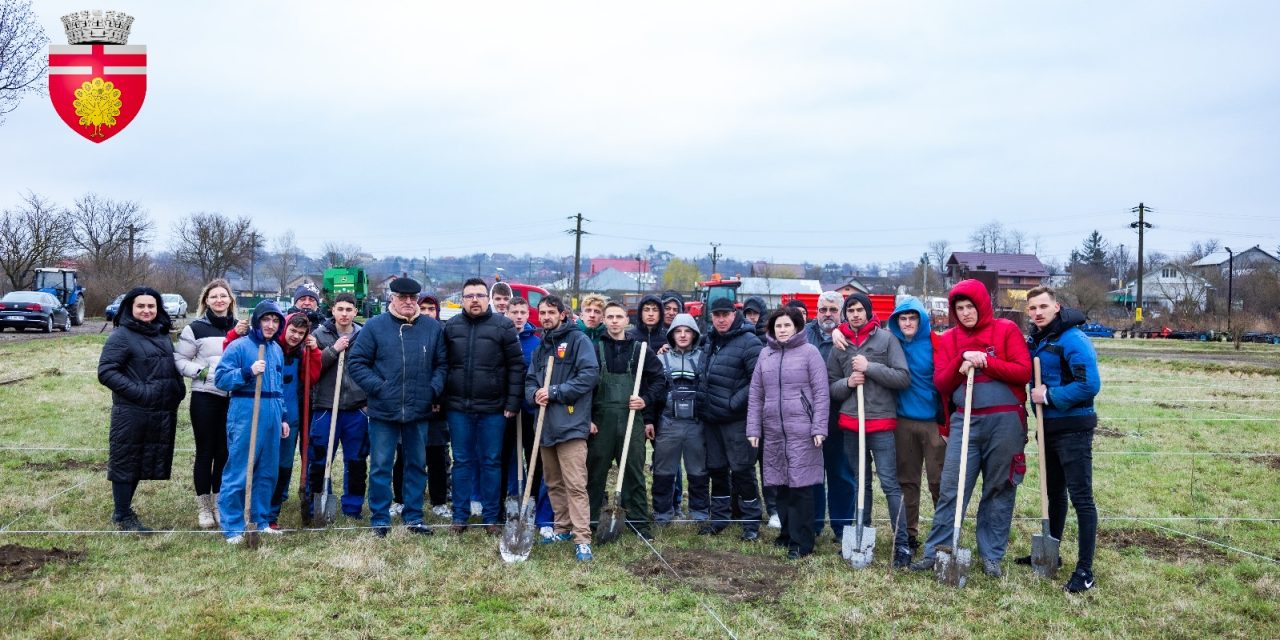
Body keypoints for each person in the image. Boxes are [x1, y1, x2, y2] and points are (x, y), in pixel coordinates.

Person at [910, 279, 1031, 578]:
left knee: (999, 487)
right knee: (952, 486)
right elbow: (941, 382)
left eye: (970, 306)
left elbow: (1023, 371)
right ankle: (938, 550)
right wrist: (962, 359)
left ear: (982, 305)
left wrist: (986, 361)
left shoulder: (1006, 330)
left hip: (1005, 422)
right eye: (959, 308)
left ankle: (991, 554)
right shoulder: (948, 339)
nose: (965, 313)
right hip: (966, 420)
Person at [346, 276, 447, 537]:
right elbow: (356, 362)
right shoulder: (375, 327)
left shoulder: (431, 328)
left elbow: (442, 365)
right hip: (383, 410)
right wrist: (379, 388)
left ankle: (413, 516)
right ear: (392, 298)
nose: (409, 303)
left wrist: (432, 390)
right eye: (403, 298)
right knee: (380, 465)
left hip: (418, 408)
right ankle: (380, 518)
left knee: (416, 464)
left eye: (413, 298)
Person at [1021, 286, 1101, 593]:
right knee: (1054, 494)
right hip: (1048, 429)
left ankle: (1085, 570)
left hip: (1073, 430)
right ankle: (1051, 552)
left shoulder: (1073, 339)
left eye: (1043, 306)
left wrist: (1049, 396)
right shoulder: (1040, 341)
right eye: (1032, 308)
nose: (1038, 312)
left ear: (1057, 307)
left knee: (1082, 499)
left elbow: (1089, 385)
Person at [827, 292, 912, 566]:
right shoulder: (839, 344)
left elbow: (902, 378)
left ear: (868, 312)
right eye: (850, 310)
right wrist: (849, 382)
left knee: (889, 483)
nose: (854, 314)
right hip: (852, 424)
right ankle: (861, 535)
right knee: (860, 484)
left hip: (881, 423)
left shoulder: (887, 339)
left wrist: (870, 367)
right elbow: (831, 386)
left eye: (859, 309)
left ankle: (902, 544)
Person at [98, 286, 185, 533]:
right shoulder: (121, 336)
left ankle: (124, 511)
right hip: (132, 411)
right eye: (141, 306)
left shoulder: (161, 334)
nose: (146, 311)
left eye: (151, 306)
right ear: (130, 308)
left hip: (159, 411)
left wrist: (178, 390)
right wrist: (141, 393)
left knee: (139, 460)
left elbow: (170, 367)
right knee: (126, 460)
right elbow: (106, 372)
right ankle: (122, 514)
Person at [443, 278, 526, 535]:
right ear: (463, 299)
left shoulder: (503, 326)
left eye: (480, 295)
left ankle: (492, 518)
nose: (475, 300)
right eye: (469, 296)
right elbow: (443, 365)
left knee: (491, 462)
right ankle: (460, 516)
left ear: (488, 299)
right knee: (462, 462)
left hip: (493, 409)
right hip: (458, 408)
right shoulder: (451, 326)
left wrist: (512, 403)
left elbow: (516, 366)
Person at [747, 307, 829, 559]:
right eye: (778, 326)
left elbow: (821, 392)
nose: (782, 330)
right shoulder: (765, 355)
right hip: (773, 431)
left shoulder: (810, 353)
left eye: (787, 325)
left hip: (802, 431)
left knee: (800, 487)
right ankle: (786, 533)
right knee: (779, 485)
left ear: (796, 327)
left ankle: (802, 542)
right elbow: (756, 394)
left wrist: (819, 426)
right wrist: (753, 427)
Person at [526, 295, 600, 561]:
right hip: (545, 426)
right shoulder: (540, 347)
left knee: (576, 484)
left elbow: (589, 376)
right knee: (553, 482)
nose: (546, 316)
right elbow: (530, 381)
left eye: (550, 312)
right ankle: (563, 527)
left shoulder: (579, 341)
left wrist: (555, 391)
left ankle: (582, 539)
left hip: (570, 424)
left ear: (562, 314)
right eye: (542, 312)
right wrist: (534, 393)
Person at [213, 300, 291, 544]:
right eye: (266, 320)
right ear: (257, 321)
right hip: (246, 410)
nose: (270, 325)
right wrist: (247, 372)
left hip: (272, 411)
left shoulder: (276, 349)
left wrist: (284, 417)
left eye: (275, 320)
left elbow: (278, 386)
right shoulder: (238, 347)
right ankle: (233, 526)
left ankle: (260, 519)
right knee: (240, 468)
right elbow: (221, 379)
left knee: (268, 470)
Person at [587, 301, 666, 541]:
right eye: (609, 316)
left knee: (633, 471)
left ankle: (639, 524)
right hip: (600, 422)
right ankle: (589, 522)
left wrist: (645, 399)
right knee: (595, 472)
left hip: (632, 419)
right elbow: (584, 386)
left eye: (618, 316)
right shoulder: (593, 347)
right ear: (604, 320)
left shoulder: (640, 350)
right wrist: (587, 418)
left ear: (626, 320)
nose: (613, 321)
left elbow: (660, 380)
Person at [696, 297, 764, 540]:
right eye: (717, 315)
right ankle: (720, 518)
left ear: (735, 315)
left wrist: (732, 403)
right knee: (717, 470)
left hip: (737, 420)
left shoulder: (749, 342)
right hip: (712, 419)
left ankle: (751, 524)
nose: (721, 319)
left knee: (743, 471)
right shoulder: (710, 341)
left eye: (725, 314)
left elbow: (758, 381)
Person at [173, 279, 237, 529]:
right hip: (205, 396)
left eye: (223, 296)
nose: (219, 300)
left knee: (225, 452)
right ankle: (204, 507)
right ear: (206, 301)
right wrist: (202, 372)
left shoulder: (240, 328)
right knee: (205, 451)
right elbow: (179, 360)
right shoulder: (195, 328)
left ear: (231, 299)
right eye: (214, 297)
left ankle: (220, 503)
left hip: (233, 399)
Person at [886, 296, 946, 558]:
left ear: (922, 320)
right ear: (896, 321)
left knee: (939, 480)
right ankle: (909, 535)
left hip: (934, 422)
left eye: (913, 318)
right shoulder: (892, 343)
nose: (908, 322)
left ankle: (943, 536)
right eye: (903, 318)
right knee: (907, 481)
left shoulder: (937, 344)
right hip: (903, 422)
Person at [309, 293, 370, 522]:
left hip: (356, 408)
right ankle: (319, 504)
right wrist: (333, 349)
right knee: (319, 458)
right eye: (340, 309)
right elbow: (314, 368)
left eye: (349, 309)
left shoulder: (365, 336)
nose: (344, 314)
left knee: (356, 459)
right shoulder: (319, 334)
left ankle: (353, 506)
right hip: (326, 406)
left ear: (355, 312)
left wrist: (367, 403)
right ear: (332, 310)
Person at [803, 291, 855, 543]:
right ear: (816, 311)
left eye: (833, 310)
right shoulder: (803, 334)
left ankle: (842, 526)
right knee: (812, 474)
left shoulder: (850, 336)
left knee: (841, 473)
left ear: (841, 312)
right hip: (809, 417)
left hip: (839, 415)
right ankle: (812, 524)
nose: (827, 315)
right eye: (823, 309)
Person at [651, 313, 709, 525]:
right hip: (668, 423)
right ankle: (662, 513)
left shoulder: (705, 357)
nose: (683, 335)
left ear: (694, 334)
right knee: (663, 470)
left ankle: (700, 512)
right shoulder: (660, 359)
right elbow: (652, 392)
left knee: (698, 470)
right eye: (678, 331)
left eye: (687, 331)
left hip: (696, 424)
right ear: (671, 334)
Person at [505, 296, 554, 535]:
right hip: (507, 410)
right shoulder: (502, 339)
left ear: (528, 314)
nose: (518, 316)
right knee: (511, 459)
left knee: (535, 457)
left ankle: (534, 501)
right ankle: (512, 499)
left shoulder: (536, 343)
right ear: (507, 313)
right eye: (514, 311)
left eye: (522, 312)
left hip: (532, 410)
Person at [267, 313, 321, 528]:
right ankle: (255, 508)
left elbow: (312, 377)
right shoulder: (271, 347)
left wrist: (314, 351)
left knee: (284, 465)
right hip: (267, 415)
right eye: (292, 331)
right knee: (265, 464)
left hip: (292, 417)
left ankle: (272, 514)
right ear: (285, 328)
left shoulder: (302, 352)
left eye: (301, 333)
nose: (295, 336)